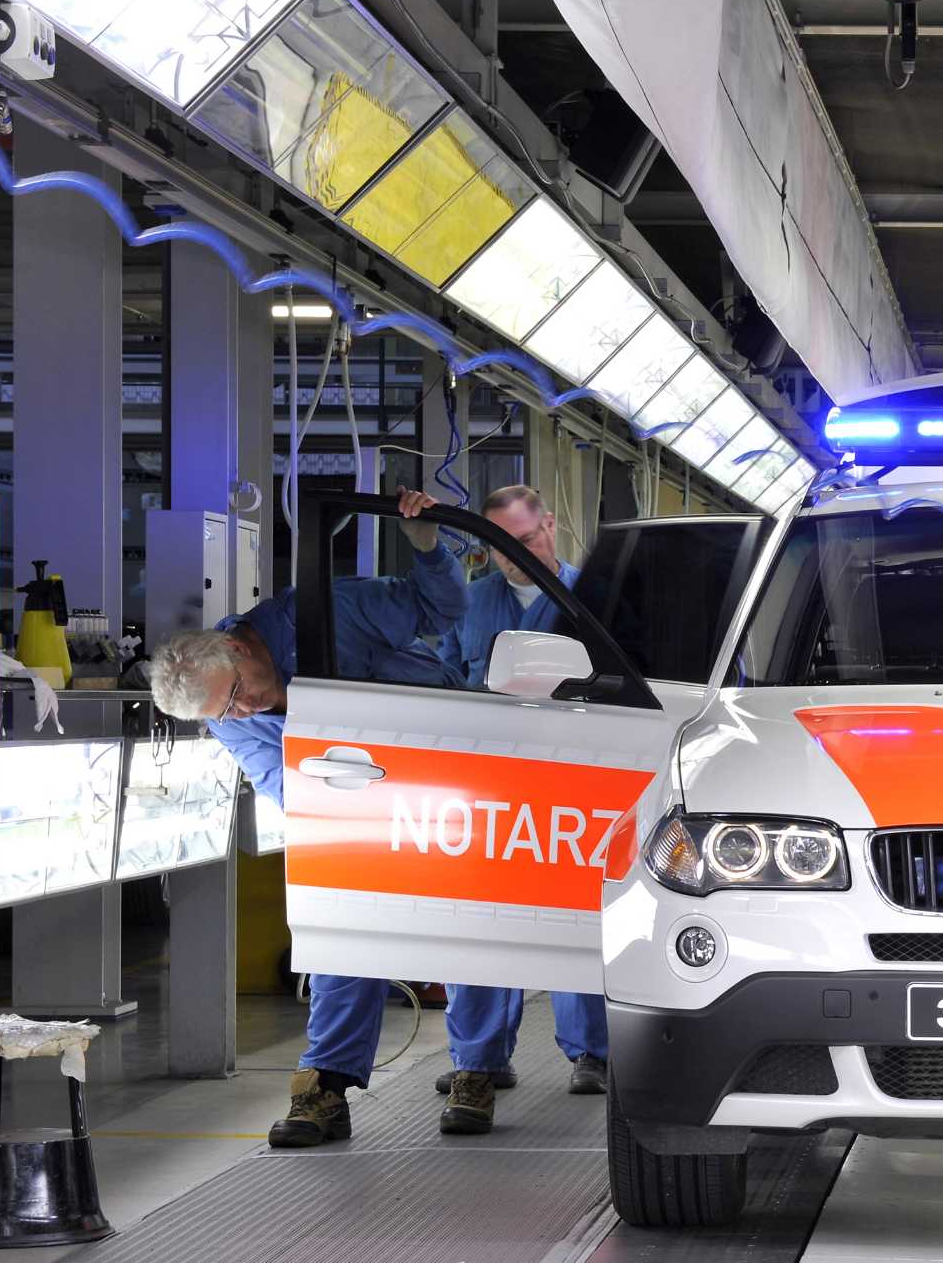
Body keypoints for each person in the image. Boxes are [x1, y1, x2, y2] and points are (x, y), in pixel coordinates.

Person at [145, 488, 491, 1147]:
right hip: (357, 811)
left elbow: (441, 607)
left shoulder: (329, 611)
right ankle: (325, 1090)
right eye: (226, 715)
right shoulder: (227, 718)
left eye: (238, 697)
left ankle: (474, 1070)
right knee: (340, 929)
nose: (242, 715)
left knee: (467, 925)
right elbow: (287, 789)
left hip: (445, 777)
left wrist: (424, 544)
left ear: (242, 652)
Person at [432, 485, 611, 1099]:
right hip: (486, 792)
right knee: (479, 925)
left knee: (578, 919)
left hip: (574, 788)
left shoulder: (597, 597)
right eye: (501, 545)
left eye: (527, 541)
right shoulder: (469, 602)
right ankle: (478, 1059)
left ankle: (595, 1052)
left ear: (551, 526)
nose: (516, 555)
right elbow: (444, 680)